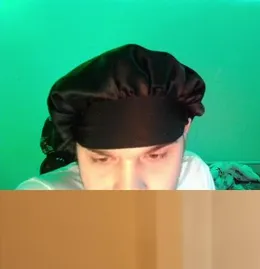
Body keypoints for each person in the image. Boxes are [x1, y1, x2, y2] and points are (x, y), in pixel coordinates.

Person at [16, 44, 215, 191]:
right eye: (102, 159)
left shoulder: (195, 174)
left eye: (155, 156)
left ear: (186, 129)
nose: (129, 189)